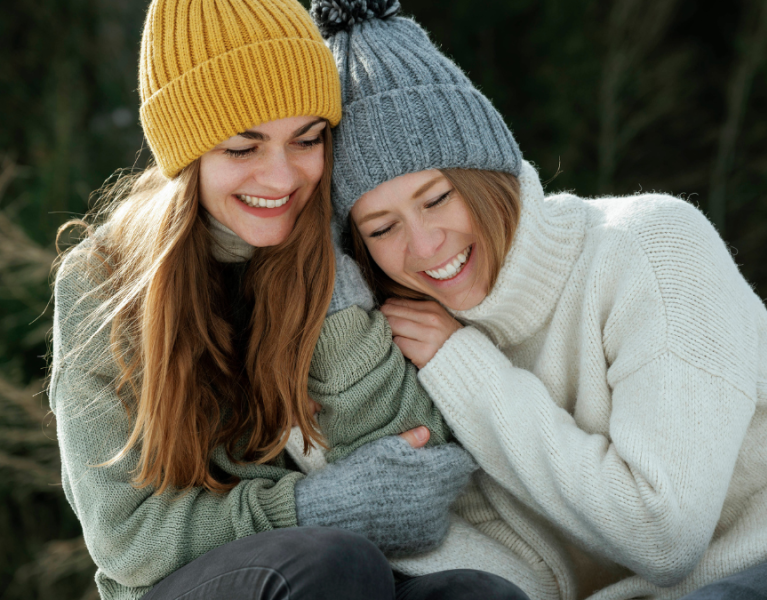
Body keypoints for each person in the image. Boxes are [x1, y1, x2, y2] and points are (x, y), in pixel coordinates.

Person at [314, 1, 767, 599]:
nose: (423, 245)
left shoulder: (652, 246)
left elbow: (665, 535)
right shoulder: (416, 333)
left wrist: (468, 373)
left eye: (437, 198)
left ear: (489, 174)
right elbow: (508, 558)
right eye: (381, 229)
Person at [49, 1, 534, 599]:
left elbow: (418, 472)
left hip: (352, 573)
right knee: (328, 562)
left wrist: (328, 286)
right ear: (186, 155)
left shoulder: (345, 239)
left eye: (307, 140)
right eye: (242, 149)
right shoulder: (103, 280)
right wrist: (308, 507)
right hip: (193, 587)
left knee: (476, 595)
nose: (282, 180)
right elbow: (128, 540)